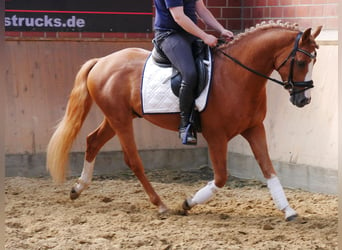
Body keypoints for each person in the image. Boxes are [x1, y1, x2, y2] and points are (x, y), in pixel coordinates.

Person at [153, 0, 234, 145]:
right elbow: (178, 17)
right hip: (169, 35)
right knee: (189, 74)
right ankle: (185, 124)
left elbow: (201, 10)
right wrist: (205, 36)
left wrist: (220, 29)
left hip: (189, 34)